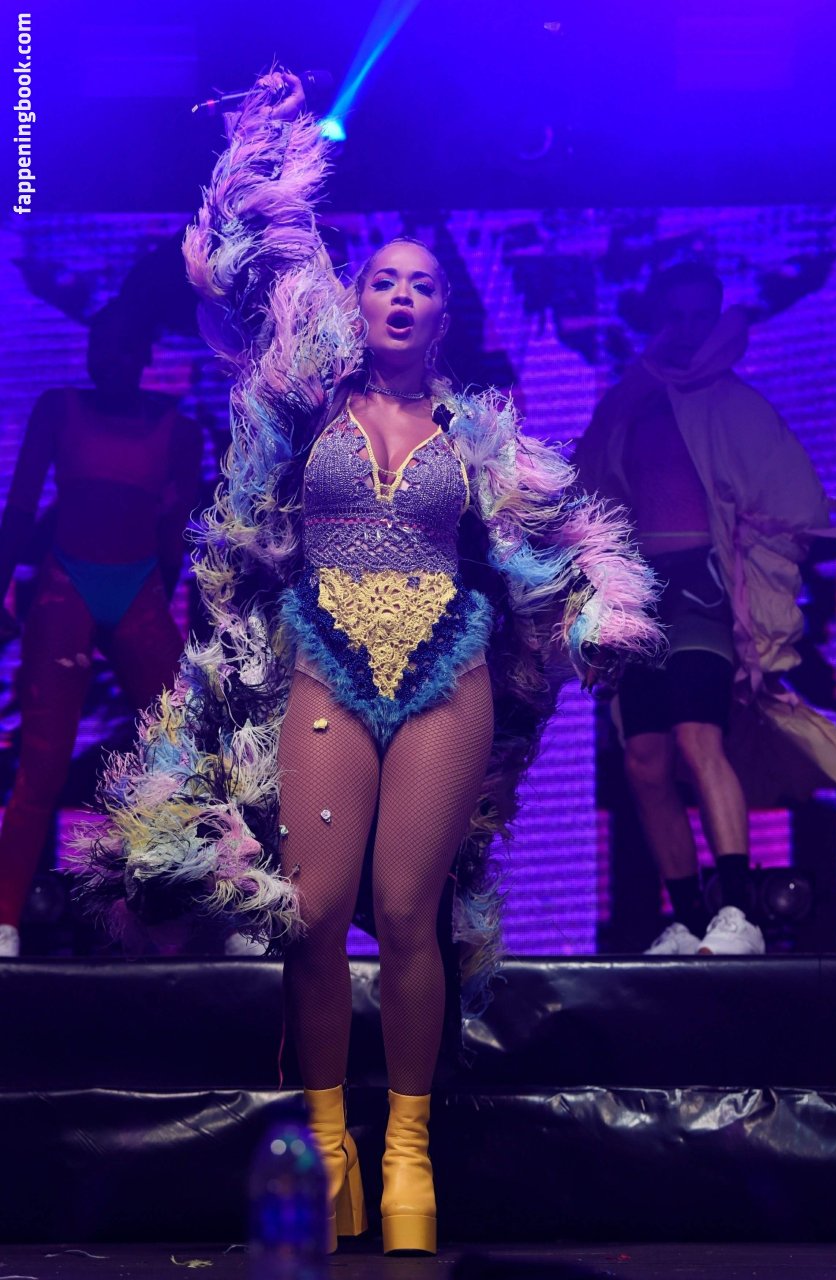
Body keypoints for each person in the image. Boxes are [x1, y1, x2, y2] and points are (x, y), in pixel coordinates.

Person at [74, 71, 660, 1255]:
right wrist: (224, 241)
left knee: (404, 912)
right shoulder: (304, 400)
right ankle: (329, 1141)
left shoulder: (479, 435)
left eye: (421, 283)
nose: (400, 293)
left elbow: (558, 546)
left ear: (443, 314)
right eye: (383, 278)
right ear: (358, 299)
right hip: (324, 664)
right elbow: (237, 313)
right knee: (316, 912)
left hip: (447, 669)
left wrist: (600, 615)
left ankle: (407, 1150)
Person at [573, 260, 836, 957]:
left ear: (716, 319)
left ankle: (739, 914)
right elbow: (586, 489)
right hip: (640, 594)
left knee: (696, 738)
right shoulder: (629, 403)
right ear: (656, 320)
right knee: (644, 760)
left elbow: (794, 506)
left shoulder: (734, 404)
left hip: (703, 588)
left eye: (700, 315)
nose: (687, 329)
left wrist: (750, 571)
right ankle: (687, 920)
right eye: (674, 315)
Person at [0, 302, 201, 959]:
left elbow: (177, 538)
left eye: (122, 348)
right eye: (98, 346)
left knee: (181, 756)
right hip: (67, 585)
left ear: (143, 357)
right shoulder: (57, 409)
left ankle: (204, 913)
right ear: (87, 352)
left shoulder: (179, 431)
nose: (108, 359)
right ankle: (5, 915)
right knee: (41, 760)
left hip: (137, 588)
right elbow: (21, 508)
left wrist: (153, 605)